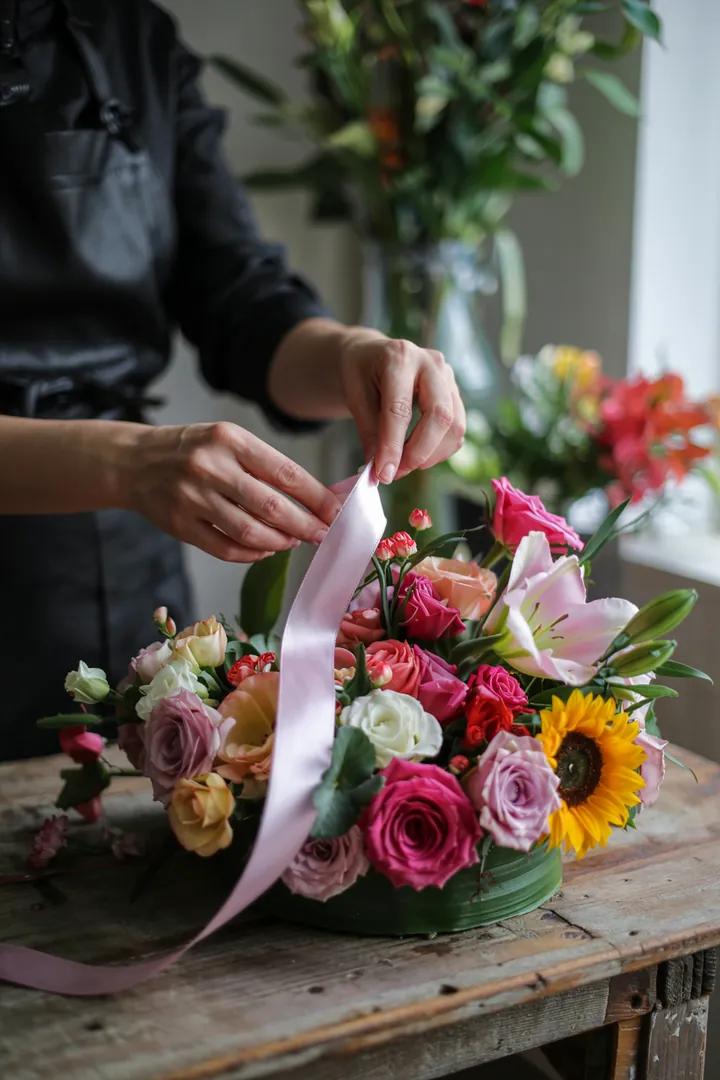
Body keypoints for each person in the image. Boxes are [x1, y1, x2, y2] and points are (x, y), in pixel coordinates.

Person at [0, 0, 465, 761]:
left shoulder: (131, 37)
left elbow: (240, 299)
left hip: (122, 583)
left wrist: (352, 353)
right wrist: (130, 462)